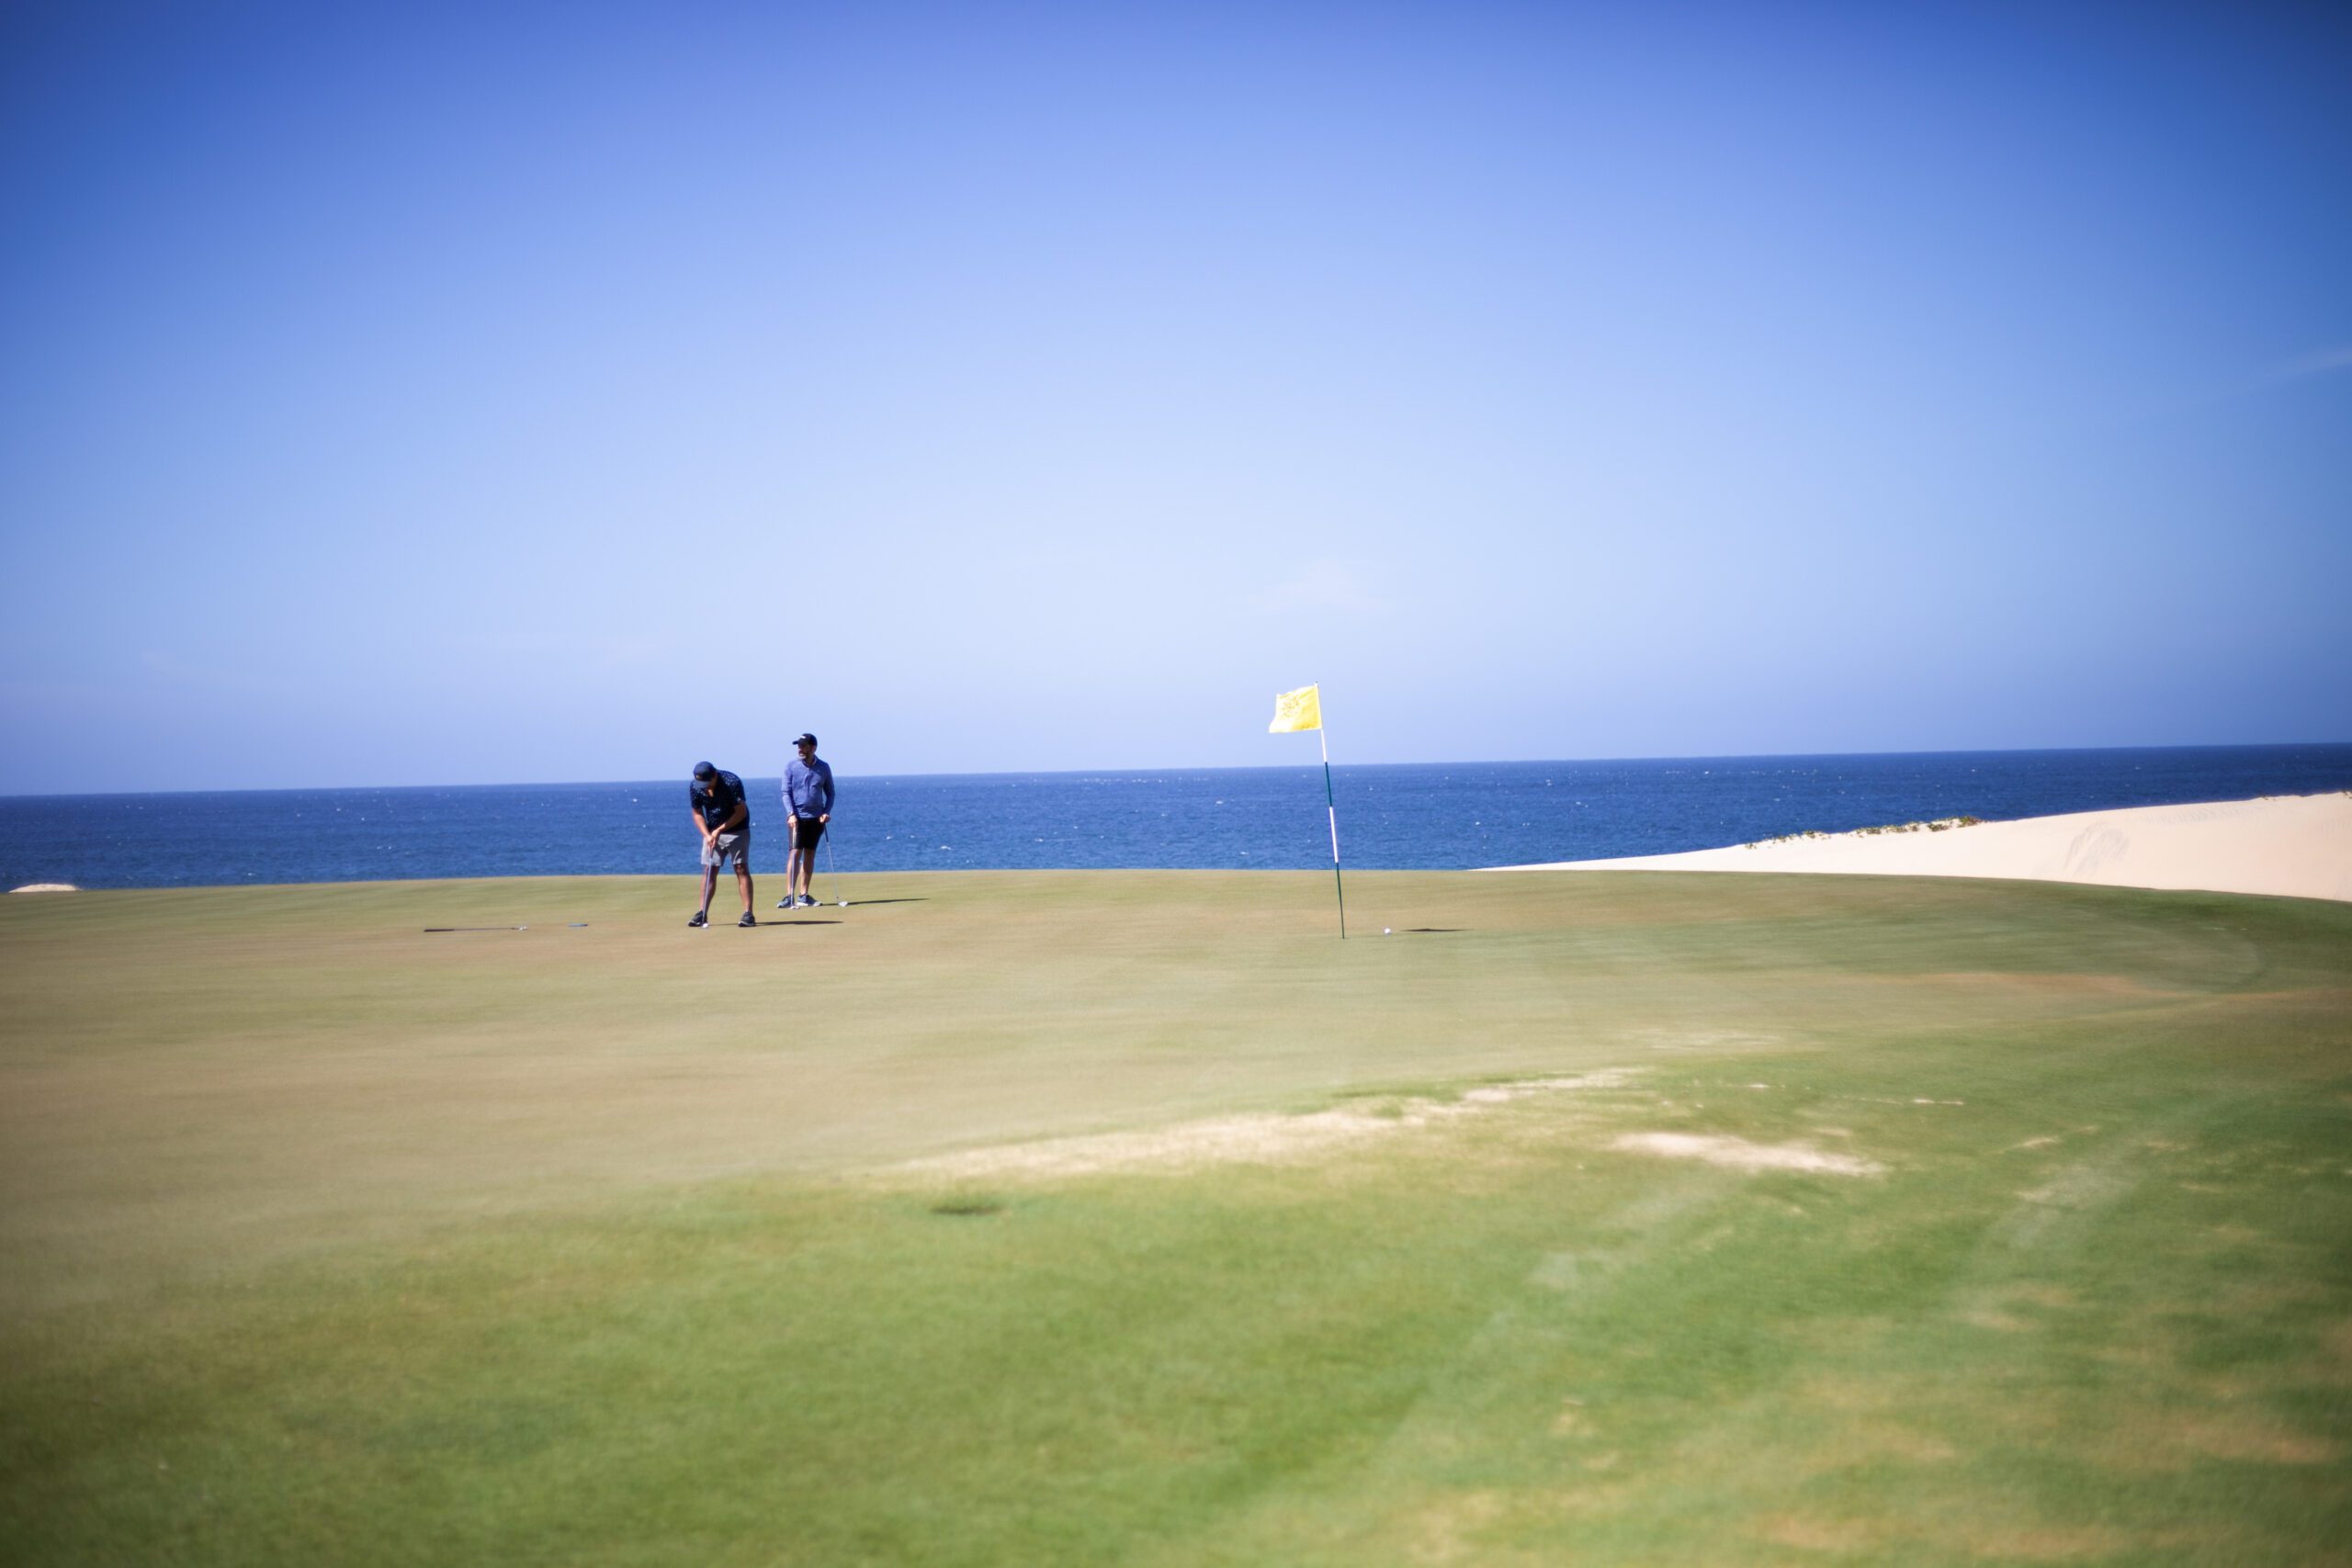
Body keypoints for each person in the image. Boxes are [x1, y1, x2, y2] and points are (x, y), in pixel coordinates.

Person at [688, 761, 756, 928]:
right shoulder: (696, 785)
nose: (704, 787)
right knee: (709, 870)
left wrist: (719, 830)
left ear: (714, 775)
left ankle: (748, 914)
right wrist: (707, 834)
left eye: (706, 782)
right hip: (711, 832)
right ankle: (702, 913)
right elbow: (697, 813)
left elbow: (741, 812)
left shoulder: (731, 782)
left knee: (740, 868)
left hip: (737, 829)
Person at [778, 732, 835, 909]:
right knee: (795, 853)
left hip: (816, 819)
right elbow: (785, 793)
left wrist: (826, 812)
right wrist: (790, 814)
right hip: (797, 818)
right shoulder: (791, 766)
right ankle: (789, 896)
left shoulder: (824, 767)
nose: (800, 749)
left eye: (803, 746)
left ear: (813, 748)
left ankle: (803, 895)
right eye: (799, 746)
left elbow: (831, 793)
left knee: (810, 854)